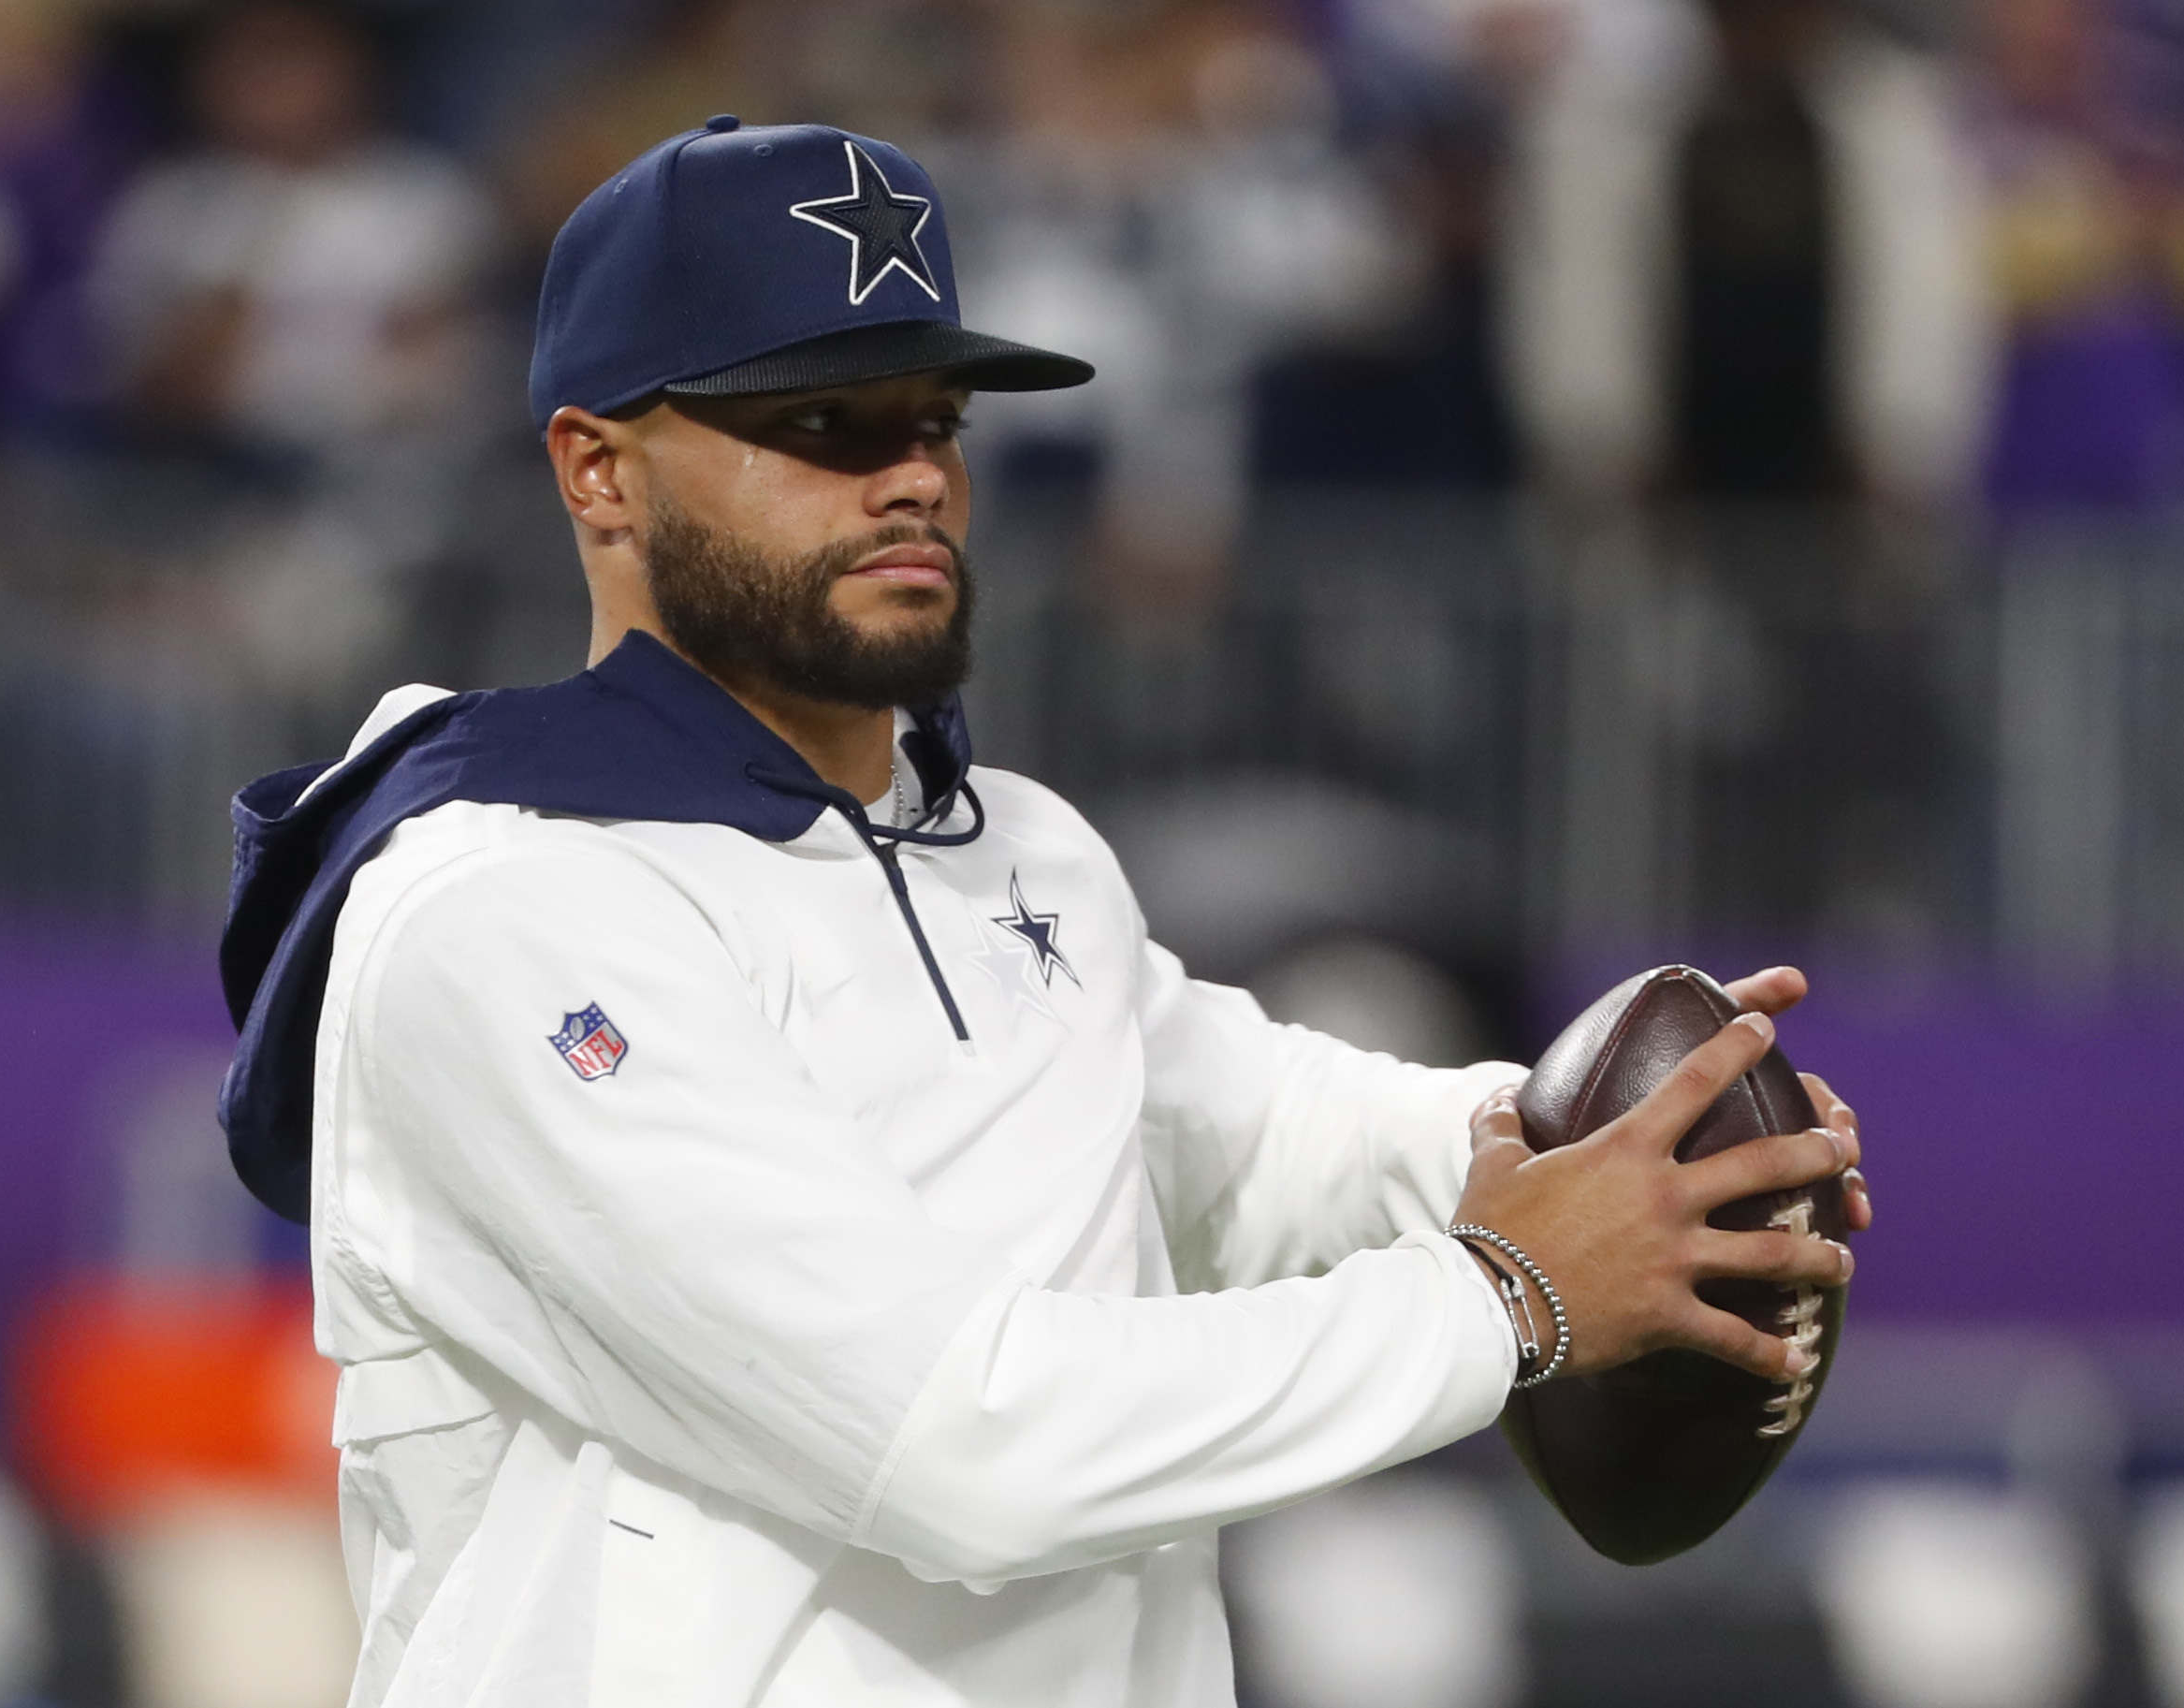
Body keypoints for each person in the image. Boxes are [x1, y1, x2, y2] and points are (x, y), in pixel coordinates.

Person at [215, 116, 1870, 1708]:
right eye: (821, 426)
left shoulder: (1014, 847)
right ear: (598, 471)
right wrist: (1511, 1294)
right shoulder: (507, 902)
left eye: (933, 418)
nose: (910, 478)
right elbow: (959, 1441)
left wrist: (1633, 1150)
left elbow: (1253, 1131)